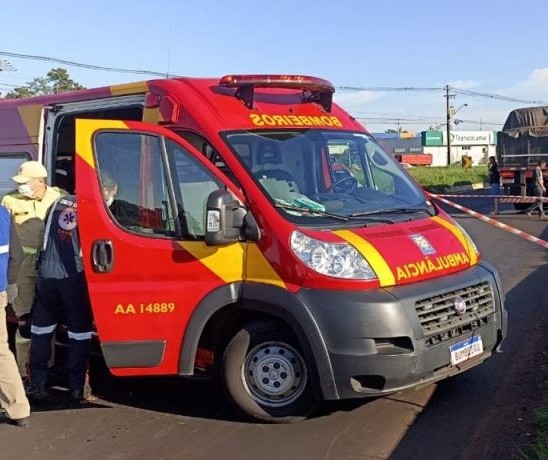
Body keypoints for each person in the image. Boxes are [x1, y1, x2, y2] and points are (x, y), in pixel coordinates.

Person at [0, 161, 65, 382]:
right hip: (23, 267)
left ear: (40, 181)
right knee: (25, 320)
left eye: (25, 183)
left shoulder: (58, 197)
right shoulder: (9, 200)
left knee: (48, 318)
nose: (20, 187)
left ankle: (47, 365)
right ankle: (23, 371)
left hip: (50, 264)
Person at [26, 195, 94, 403]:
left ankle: (37, 384)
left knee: (41, 331)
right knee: (79, 335)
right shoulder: (91, 205)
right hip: (73, 276)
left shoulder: (57, 202)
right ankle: (76, 388)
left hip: (47, 274)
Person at [0, 205, 31, 427]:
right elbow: (17, 254)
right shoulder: (3, 213)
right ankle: (18, 409)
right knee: (1, 351)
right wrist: (9, 282)